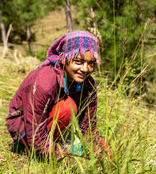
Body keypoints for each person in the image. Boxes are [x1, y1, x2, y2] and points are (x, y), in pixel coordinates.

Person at [6, 30, 106, 160]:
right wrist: (64, 157)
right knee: (67, 107)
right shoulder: (43, 83)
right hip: (26, 129)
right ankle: (28, 148)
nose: (85, 69)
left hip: (54, 127)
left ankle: (58, 143)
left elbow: (88, 126)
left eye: (91, 63)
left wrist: (97, 151)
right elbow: (35, 134)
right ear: (64, 59)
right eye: (78, 62)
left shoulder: (89, 85)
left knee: (106, 151)